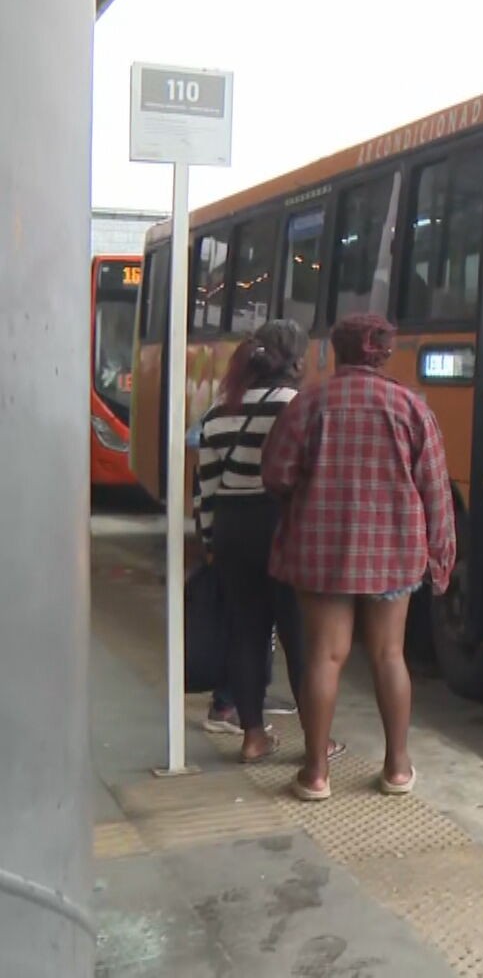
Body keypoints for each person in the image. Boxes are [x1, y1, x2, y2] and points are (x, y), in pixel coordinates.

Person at [260, 313, 456, 801]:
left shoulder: (309, 404)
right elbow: (436, 491)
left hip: (322, 548)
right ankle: (397, 768)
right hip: (394, 550)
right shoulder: (412, 408)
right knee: (390, 655)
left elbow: (277, 475)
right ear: (384, 354)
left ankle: (316, 774)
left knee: (324, 655)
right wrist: (442, 558)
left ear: (337, 351)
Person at [192, 320, 312, 762]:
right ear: (296, 360)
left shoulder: (220, 410)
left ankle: (253, 737)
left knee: (246, 631)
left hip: (231, 527)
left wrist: (209, 539)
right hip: (281, 523)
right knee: (300, 636)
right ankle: (315, 743)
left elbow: (203, 487)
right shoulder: (296, 405)